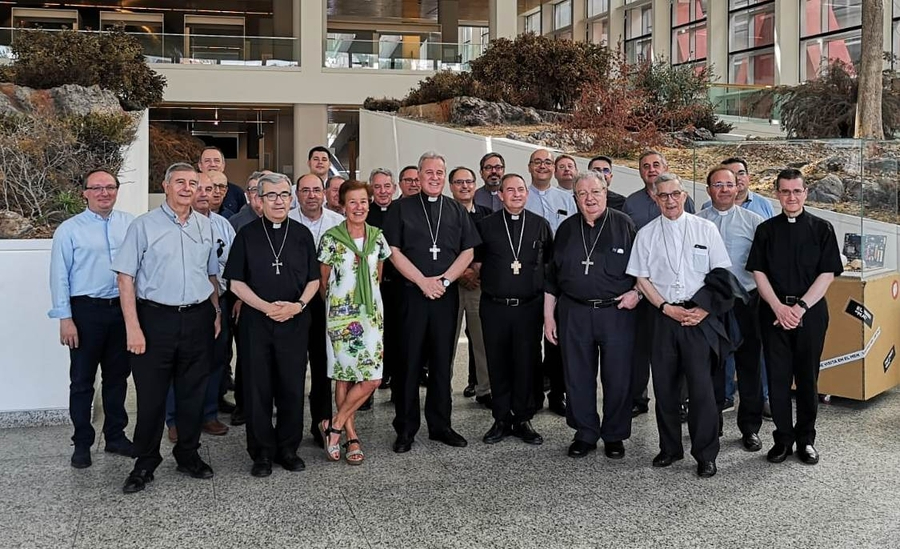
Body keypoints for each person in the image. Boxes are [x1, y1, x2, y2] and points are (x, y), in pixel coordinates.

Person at [113, 163, 221, 494]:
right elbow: (125, 277)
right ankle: (145, 461)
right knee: (151, 397)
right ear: (166, 186)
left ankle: (187, 454)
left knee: (193, 393)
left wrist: (215, 311)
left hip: (199, 318)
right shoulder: (143, 226)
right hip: (154, 320)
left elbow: (212, 274)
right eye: (180, 182)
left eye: (194, 183)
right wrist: (133, 327)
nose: (188, 188)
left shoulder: (206, 226)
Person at [626, 172, 731, 478]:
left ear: (684, 195)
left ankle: (706, 454)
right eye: (663, 196)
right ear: (655, 199)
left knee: (701, 391)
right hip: (663, 318)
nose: (670, 201)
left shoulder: (705, 228)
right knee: (666, 389)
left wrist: (703, 310)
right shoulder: (646, 234)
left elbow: (721, 274)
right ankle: (670, 448)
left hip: (698, 318)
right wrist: (664, 307)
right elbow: (641, 278)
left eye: (675, 194)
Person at [383, 151, 481, 453]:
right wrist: (422, 281)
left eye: (440, 172)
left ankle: (441, 425)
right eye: (429, 173)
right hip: (411, 295)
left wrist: (444, 281)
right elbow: (393, 250)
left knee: (441, 362)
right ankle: (406, 428)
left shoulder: (456, 209)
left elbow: (468, 252)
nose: (435, 177)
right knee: (408, 362)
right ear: (419, 176)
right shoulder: (400, 209)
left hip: (444, 296)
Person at [224, 173, 320, 477]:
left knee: (291, 387)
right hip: (257, 322)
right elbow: (235, 283)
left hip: (294, 320)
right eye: (271, 196)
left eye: (284, 195)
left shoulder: (303, 234)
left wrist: (297, 306)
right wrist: (267, 308)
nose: (279, 201)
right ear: (258, 201)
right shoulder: (247, 234)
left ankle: (288, 449)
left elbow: (314, 279)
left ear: (291, 200)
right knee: (257, 389)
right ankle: (262, 452)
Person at [747, 169, 843, 466]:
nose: (791, 197)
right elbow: (758, 272)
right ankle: (783, 440)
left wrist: (799, 308)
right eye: (785, 191)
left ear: (805, 193)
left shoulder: (822, 228)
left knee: (806, 379)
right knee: (776, 380)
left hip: (810, 314)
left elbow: (827, 275)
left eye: (796, 191)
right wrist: (778, 307)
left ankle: (806, 440)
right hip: (773, 313)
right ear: (777, 194)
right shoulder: (766, 230)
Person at [545, 171, 640, 459]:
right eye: (582, 194)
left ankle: (614, 434)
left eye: (595, 192)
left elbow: (643, 270)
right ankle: (584, 433)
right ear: (574, 198)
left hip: (616, 313)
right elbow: (552, 278)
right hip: (574, 311)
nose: (590, 199)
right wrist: (549, 318)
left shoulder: (624, 224)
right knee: (577, 376)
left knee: (618, 376)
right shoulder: (565, 229)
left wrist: (637, 293)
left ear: (606, 192)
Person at [49, 169, 135, 469]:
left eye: (110, 187)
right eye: (96, 188)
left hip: (122, 311)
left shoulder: (131, 225)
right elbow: (59, 277)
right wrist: (65, 318)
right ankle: (82, 442)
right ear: (84, 192)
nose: (104, 193)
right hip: (85, 312)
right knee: (83, 381)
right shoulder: (69, 230)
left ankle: (115, 436)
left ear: (117, 190)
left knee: (117, 378)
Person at [317, 179, 392, 464]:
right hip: (340, 315)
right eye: (352, 202)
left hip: (370, 314)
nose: (358, 207)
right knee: (344, 376)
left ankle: (333, 425)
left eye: (363, 201)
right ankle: (350, 436)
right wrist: (338, 310)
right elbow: (324, 280)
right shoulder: (331, 238)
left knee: (372, 378)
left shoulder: (377, 237)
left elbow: (377, 276)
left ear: (369, 204)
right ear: (342, 205)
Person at [476, 174, 553, 445]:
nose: (517, 194)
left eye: (521, 189)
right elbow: (474, 262)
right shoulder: (486, 226)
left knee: (525, 362)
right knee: (497, 362)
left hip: (528, 307)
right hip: (495, 306)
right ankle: (500, 418)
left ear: (527, 194)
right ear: (501, 195)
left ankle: (522, 418)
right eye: (510, 190)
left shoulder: (540, 225)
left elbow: (549, 266)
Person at [697, 168, 765, 451]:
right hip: (710, 304)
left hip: (746, 303)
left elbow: (764, 266)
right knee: (712, 366)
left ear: (738, 188)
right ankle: (712, 427)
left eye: (730, 184)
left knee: (749, 368)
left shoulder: (755, 222)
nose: (724, 189)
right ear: (709, 189)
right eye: (718, 184)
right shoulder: (696, 222)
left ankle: (750, 428)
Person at [163, 173, 235, 443]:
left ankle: (208, 414)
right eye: (200, 188)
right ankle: (174, 418)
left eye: (212, 188)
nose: (205, 193)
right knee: (178, 363)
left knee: (215, 359)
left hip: (218, 301)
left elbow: (232, 262)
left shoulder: (223, 225)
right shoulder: (173, 225)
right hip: (181, 305)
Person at [624, 150, 696, 418]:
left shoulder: (682, 199)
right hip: (643, 286)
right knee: (641, 347)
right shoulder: (631, 203)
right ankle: (638, 397)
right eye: (645, 166)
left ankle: (682, 400)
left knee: (681, 351)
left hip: (677, 288)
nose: (651, 169)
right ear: (640, 171)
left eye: (656, 164)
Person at [289, 173, 343, 446]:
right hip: (294, 302)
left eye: (316, 190)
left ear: (324, 193)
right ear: (296, 194)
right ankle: (289, 428)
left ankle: (321, 424)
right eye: (305, 190)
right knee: (294, 367)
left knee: (323, 366)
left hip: (328, 302)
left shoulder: (339, 223)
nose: (311, 195)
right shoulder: (285, 221)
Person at [524, 148, 574, 416]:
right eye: (537, 162)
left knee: (558, 341)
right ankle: (532, 395)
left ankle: (559, 393)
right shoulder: (520, 195)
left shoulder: (567, 198)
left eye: (548, 162)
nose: (543, 166)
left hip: (560, 279)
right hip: (529, 278)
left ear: (553, 167)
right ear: (530, 167)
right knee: (531, 339)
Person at [448, 166, 492, 408]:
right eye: (458, 182)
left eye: (468, 181)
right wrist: (461, 271)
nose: (464, 186)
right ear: (451, 186)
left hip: (477, 284)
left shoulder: (486, 214)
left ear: (475, 185)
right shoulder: (443, 212)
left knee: (482, 338)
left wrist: (476, 270)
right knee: (446, 340)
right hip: (450, 284)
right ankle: (442, 389)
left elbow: (491, 246)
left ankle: (485, 389)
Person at [227, 171, 268, 427]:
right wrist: (240, 299)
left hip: (277, 305)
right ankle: (243, 405)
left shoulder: (284, 223)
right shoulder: (238, 222)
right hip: (245, 301)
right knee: (246, 357)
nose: (259, 195)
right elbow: (233, 269)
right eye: (254, 190)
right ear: (248, 195)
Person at [366, 168, 400, 394]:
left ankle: (396, 382)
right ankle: (366, 390)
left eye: (387, 186)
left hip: (399, 285)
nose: (382, 191)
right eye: (377, 187)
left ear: (394, 188)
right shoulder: (364, 213)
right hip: (371, 286)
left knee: (397, 335)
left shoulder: (403, 211)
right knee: (370, 337)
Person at [700, 157, 775, 220]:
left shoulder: (764, 204)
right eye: (732, 174)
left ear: (749, 177)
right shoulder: (708, 206)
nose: (738, 178)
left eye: (741, 173)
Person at [198, 146, 245, 217]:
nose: (212, 165)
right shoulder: (192, 189)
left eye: (216, 161)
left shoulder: (237, 192)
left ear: (223, 165)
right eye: (207, 161)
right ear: (200, 166)